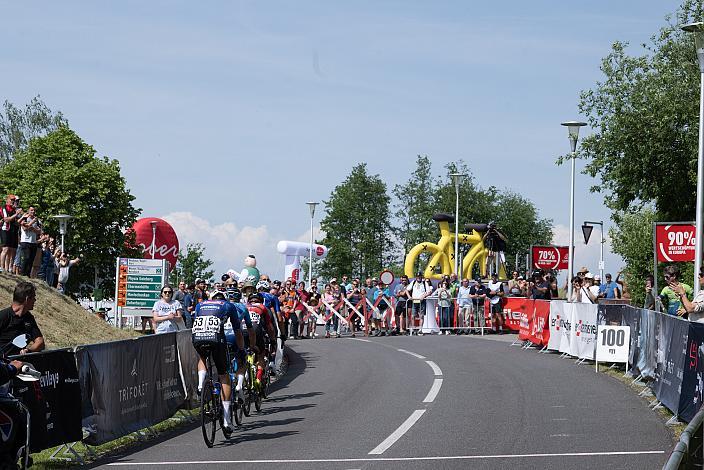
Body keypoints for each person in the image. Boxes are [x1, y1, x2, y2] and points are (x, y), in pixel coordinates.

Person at [193, 290, 252, 433]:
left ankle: (201, 385)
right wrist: (241, 349)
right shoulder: (228, 306)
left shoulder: (201, 305)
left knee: (202, 357)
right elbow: (237, 331)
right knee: (224, 375)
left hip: (197, 337)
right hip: (217, 339)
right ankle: (226, 420)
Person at [0, 281, 45, 355]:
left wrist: (28, 350)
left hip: (18, 361)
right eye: (34, 297)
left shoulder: (29, 318)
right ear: (27, 299)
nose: (35, 300)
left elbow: (40, 342)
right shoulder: (3, 316)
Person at [18, 206, 41, 277]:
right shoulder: (24, 218)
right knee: (26, 258)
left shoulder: (37, 220)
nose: (33, 212)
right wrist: (32, 222)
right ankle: (22, 273)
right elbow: (24, 228)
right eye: (31, 210)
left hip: (33, 242)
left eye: (34, 210)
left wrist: (32, 228)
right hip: (25, 241)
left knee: (31, 259)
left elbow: (39, 231)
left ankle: (28, 275)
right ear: (28, 211)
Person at [0, 195, 21, 273]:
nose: (13, 201)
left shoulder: (14, 209)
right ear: (7, 200)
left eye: (14, 200)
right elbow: (6, 219)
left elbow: (17, 222)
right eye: (12, 200)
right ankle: (1, 267)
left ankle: (9, 268)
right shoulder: (4, 208)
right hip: (5, 229)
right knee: (5, 249)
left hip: (12, 231)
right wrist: (16, 214)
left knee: (11, 250)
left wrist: (21, 217)